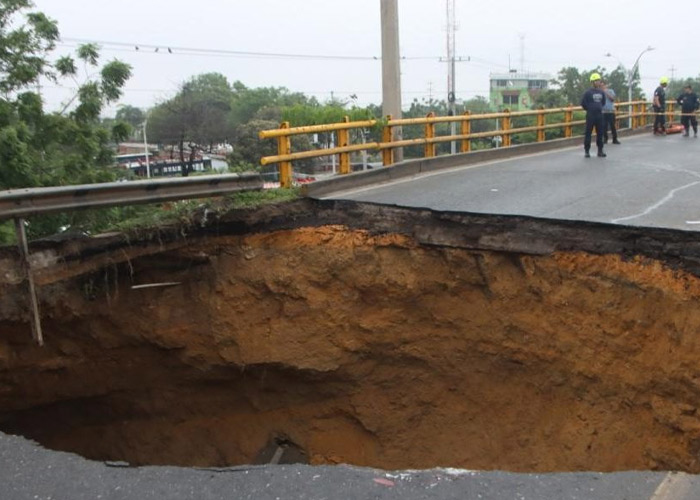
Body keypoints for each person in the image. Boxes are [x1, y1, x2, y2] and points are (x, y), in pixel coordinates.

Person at [580, 72, 606, 158]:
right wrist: (590, 109)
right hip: (591, 115)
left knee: (600, 133)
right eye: (596, 81)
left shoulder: (601, 92)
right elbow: (583, 103)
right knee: (588, 133)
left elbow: (603, 102)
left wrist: (598, 108)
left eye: (599, 80)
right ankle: (587, 151)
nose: (598, 82)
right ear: (592, 82)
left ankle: (600, 150)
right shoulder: (588, 92)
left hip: (599, 115)